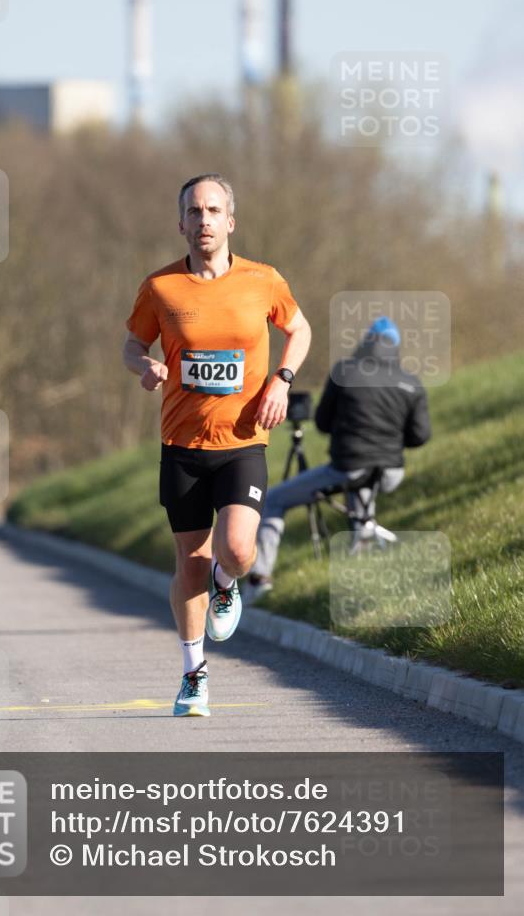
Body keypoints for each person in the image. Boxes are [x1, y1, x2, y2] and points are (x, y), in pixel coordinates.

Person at [123, 174, 311, 717]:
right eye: (194, 211)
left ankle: (228, 584)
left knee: (236, 550)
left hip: (244, 439)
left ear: (230, 221)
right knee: (190, 560)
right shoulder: (160, 288)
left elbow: (299, 331)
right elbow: (132, 343)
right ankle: (193, 675)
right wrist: (145, 365)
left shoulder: (263, 280)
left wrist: (281, 379)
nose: (203, 220)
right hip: (182, 443)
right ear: (181, 223)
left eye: (213, 210)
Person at [247, 316, 431, 599]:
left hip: (347, 469)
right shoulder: (411, 382)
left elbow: (322, 423)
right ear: (395, 347)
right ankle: (364, 556)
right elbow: (420, 436)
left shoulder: (344, 372)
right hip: (391, 473)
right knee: (361, 484)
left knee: (274, 499)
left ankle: (260, 579)